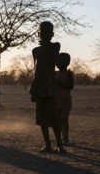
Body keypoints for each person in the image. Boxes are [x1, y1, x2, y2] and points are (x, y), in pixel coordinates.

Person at [29, 21, 65, 153]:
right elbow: (36, 71)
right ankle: (48, 145)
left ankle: (60, 145)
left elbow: (53, 61)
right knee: (42, 117)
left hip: (50, 84)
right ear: (39, 33)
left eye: (47, 33)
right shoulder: (35, 50)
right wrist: (33, 90)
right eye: (42, 33)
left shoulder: (55, 46)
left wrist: (45, 47)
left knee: (54, 116)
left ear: (52, 34)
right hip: (39, 84)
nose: (43, 35)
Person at [55, 53, 74, 145]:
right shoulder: (54, 73)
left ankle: (65, 138)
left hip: (65, 101)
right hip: (56, 101)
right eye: (57, 61)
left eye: (60, 61)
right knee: (58, 121)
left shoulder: (69, 74)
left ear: (67, 63)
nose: (58, 63)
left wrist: (58, 82)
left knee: (64, 120)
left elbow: (70, 86)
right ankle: (60, 138)